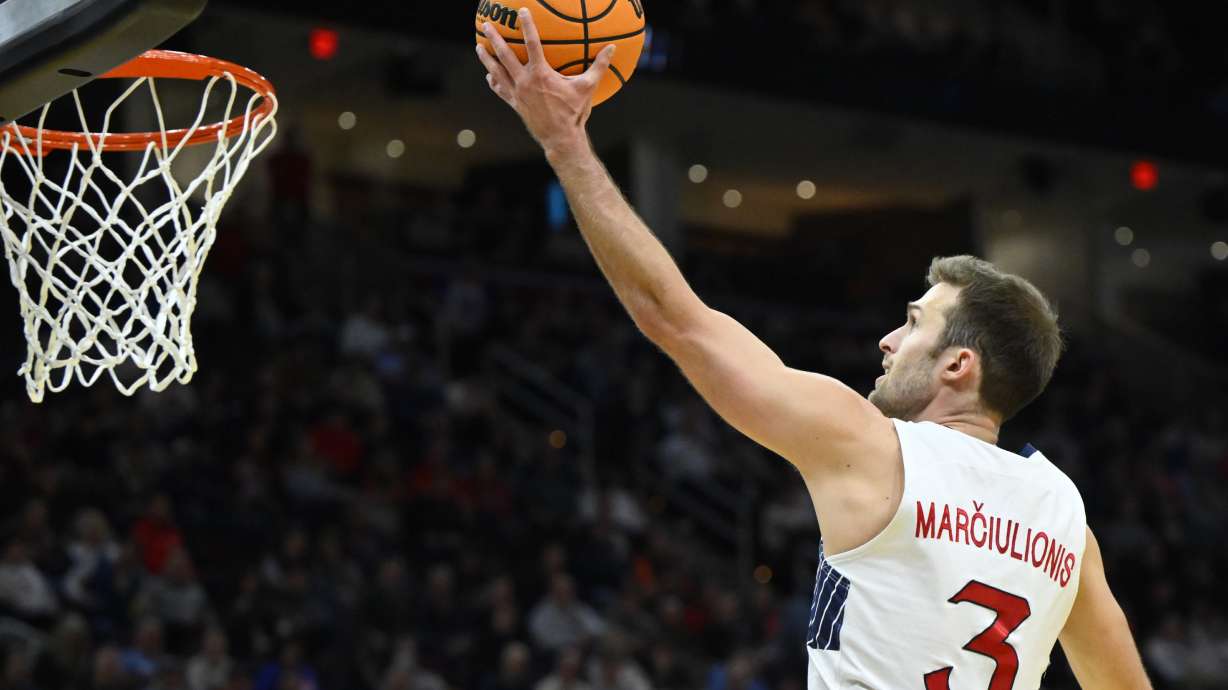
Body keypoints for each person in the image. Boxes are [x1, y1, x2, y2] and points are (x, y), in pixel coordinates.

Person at [475, 12, 1152, 689]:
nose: (888, 340)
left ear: (958, 365)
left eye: (914, 323)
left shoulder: (874, 445)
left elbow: (676, 321)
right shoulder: (1065, 519)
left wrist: (565, 144)